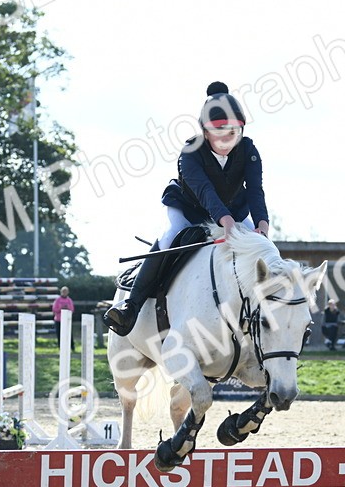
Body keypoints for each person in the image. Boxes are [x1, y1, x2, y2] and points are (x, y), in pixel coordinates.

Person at [104, 81, 269, 336]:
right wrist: (224, 220)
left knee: (264, 248)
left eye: (233, 132)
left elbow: (256, 190)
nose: (226, 139)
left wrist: (262, 224)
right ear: (205, 131)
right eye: (219, 131)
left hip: (234, 213)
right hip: (190, 210)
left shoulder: (249, 150)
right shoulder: (190, 152)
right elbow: (205, 191)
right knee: (169, 239)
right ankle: (131, 307)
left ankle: (269, 314)